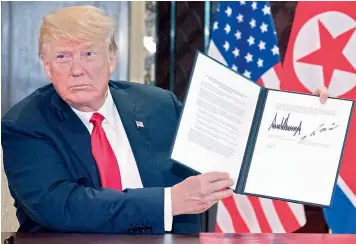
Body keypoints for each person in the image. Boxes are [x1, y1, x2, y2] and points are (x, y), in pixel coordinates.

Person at [1, 5, 329, 235]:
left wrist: (304, 117)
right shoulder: (26, 124)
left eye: (89, 53)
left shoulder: (158, 105)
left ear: (112, 58)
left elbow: (239, 143)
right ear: (46, 66)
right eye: (62, 57)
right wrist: (170, 201)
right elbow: (65, 207)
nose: (77, 68)